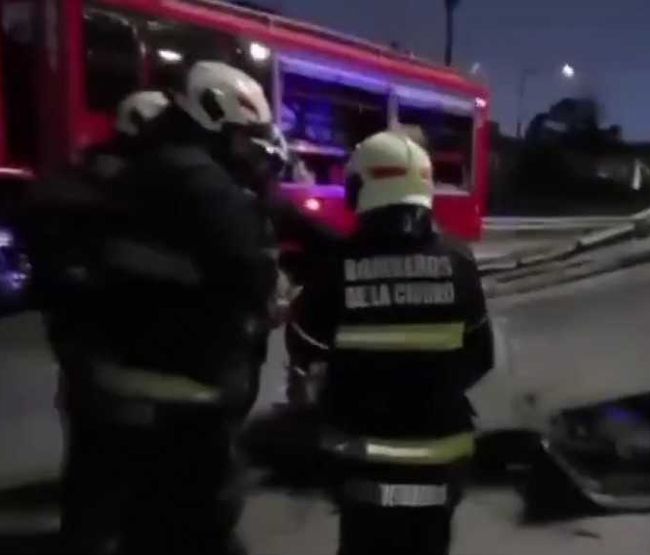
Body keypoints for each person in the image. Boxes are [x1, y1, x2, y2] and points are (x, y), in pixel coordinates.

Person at [32, 61, 284, 555]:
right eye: (241, 136)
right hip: (188, 389)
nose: (245, 151)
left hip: (114, 375)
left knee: (120, 506)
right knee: (197, 522)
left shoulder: (131, 170)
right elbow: (247, 274)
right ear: (215, 120)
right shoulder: (202, 182)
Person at [287, 130, 494, 555]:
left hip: (361, 462)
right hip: (441, 462)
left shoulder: (338, 266)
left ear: (364, 189)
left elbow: (303, 344)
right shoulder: (459, 260)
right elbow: (481, 356)